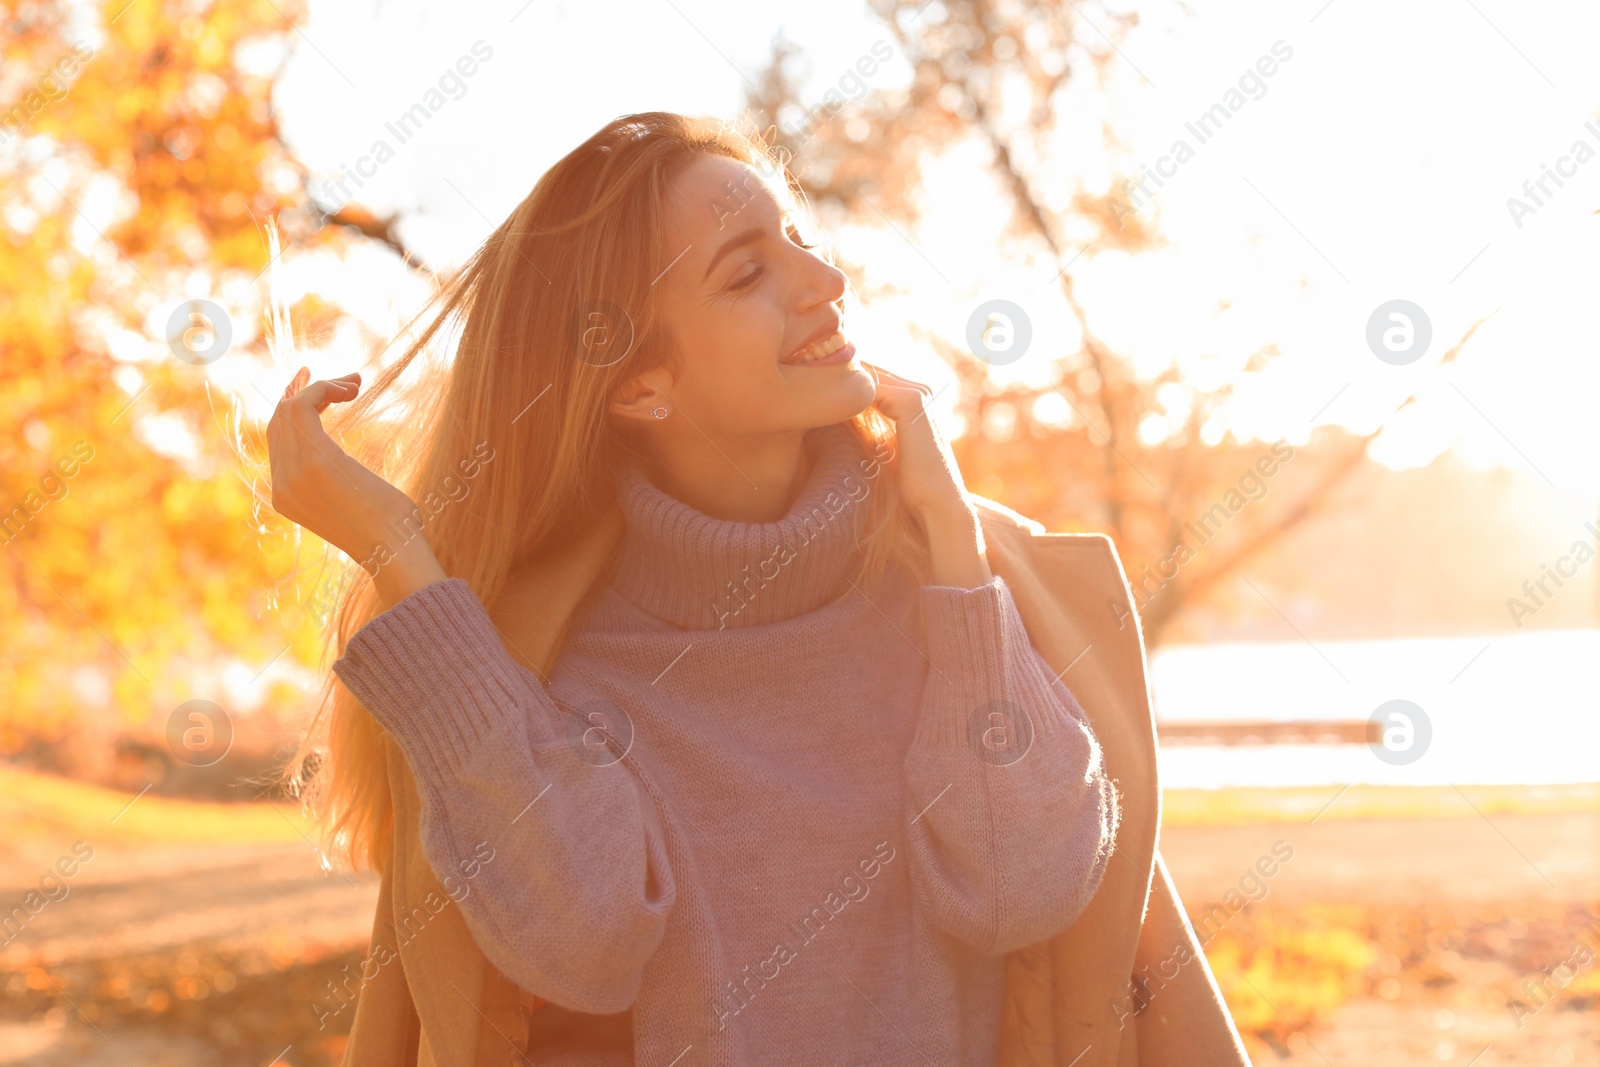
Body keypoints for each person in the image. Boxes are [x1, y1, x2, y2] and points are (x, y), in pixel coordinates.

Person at [268, 111, 1247, 1065]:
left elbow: (1019, 883)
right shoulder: (537, 659)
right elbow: (581, 945)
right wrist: (398, 551)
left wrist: (954, 547)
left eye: (801, 239)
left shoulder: (976, 588)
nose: (826, 281)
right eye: (749, 271)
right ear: (638, 384)